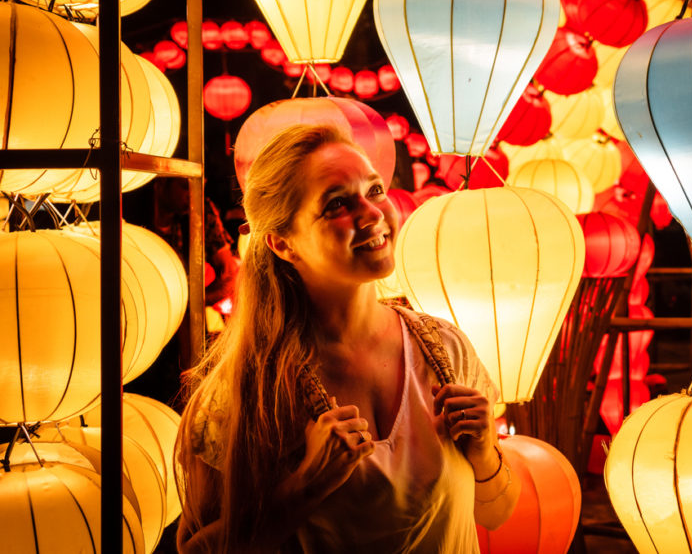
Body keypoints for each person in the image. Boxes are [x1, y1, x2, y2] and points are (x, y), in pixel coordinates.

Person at [175, 124, 520, 553]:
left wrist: (485, 453)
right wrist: (304, 488)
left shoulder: (445, 349)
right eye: (338, 203)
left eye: (375, 190)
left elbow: (495, 513)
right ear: (284, 244)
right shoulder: (247, 389)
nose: (373, 213)